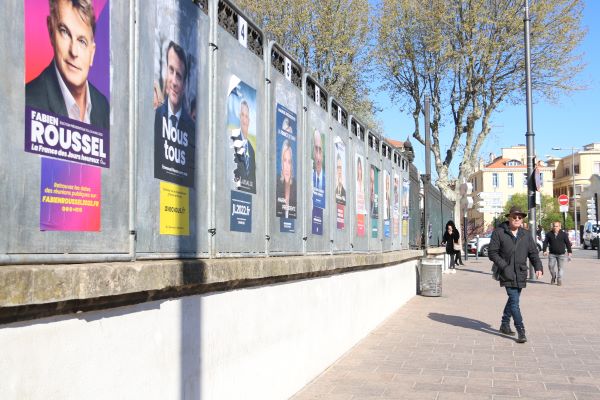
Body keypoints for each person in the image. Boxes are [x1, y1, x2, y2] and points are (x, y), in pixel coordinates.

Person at [26, 0, 109, 129]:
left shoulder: (102, 106)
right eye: (65, 32)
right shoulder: (27, 101)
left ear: (92, 54)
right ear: (51, 30)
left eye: (82, 41)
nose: (73, 51)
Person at [488, 206, 543, 343]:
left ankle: (504, 324)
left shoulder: (526, 234)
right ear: (509, 217)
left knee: (513, 300)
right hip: (506, 272)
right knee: (514, 302)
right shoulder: (499, 232)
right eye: (514, 217)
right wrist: (504, 266)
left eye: (520, 217)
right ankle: (521, 330)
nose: (517, 219)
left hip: (521, 272)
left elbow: (533, 253)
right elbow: (492, 252)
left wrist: (538, 267)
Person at [154, 41, 196, 186]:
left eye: (179, 75)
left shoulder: (192, 129)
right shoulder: (154, 118)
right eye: (171, 71)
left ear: (184, 84)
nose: (174, 81)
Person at [230, 100, 256, 193]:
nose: (245, 120)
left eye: (246, 116)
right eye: (242, 115)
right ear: (239, 117)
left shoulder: (252, 150)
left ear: (249, 120)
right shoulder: (232, 140)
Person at [543, 220, 572, 286]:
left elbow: (567, 243)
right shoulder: (549, 234)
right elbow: (545, 242)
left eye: (557, 226)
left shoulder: (564, 234)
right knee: (550, 266)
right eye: (554, 226)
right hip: (552, 254)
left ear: (560, 227)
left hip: (561, 254)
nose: (555, 227)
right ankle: (553, 276)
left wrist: (569, 251)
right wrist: (544, 250)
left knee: (560, 268)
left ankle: (559, 279)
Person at [275, 139, 296, 219]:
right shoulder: (277, 184)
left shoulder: (296, 188)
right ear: (281, 163)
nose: (287, 166)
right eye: (284, 161)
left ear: (292, 166)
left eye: (289, 162)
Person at [312, 130, 325, 208]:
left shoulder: (326, 181)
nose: (318, 156)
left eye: (320, 150)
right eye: (316, 150)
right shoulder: (310, 179)